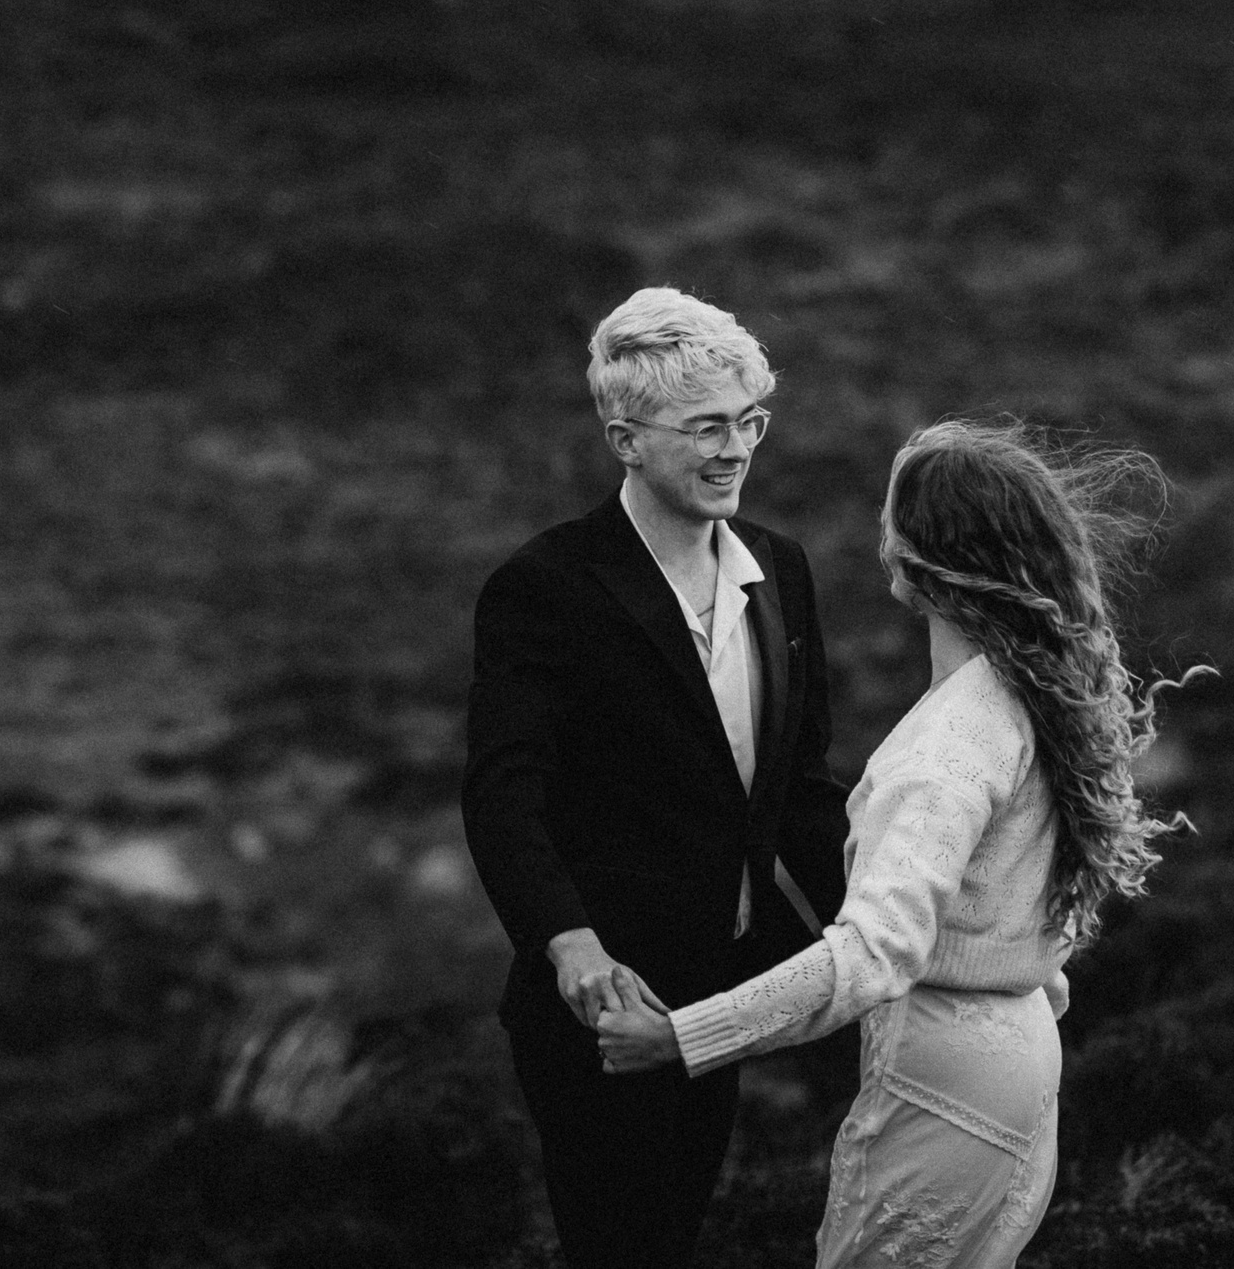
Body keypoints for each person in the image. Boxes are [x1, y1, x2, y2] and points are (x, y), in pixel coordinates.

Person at [596, 417, 1192, 1269]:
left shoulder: (949, 743)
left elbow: (873, 951)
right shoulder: (1024, 695)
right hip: (1020, 1061)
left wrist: (684, 1037)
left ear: (912, 560)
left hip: (948, 1084)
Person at [461, 287, 852, 1269]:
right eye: (705, 428)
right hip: (603, 1008)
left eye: (749, 422)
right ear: (624, 438)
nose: (735, 451)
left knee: (678, 1230)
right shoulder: (544, 586)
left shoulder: (782, 569)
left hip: (728, 989)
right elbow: (503, 791)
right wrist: (569, 945)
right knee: (621, 1248)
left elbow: (800, 785)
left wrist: (881, 929)